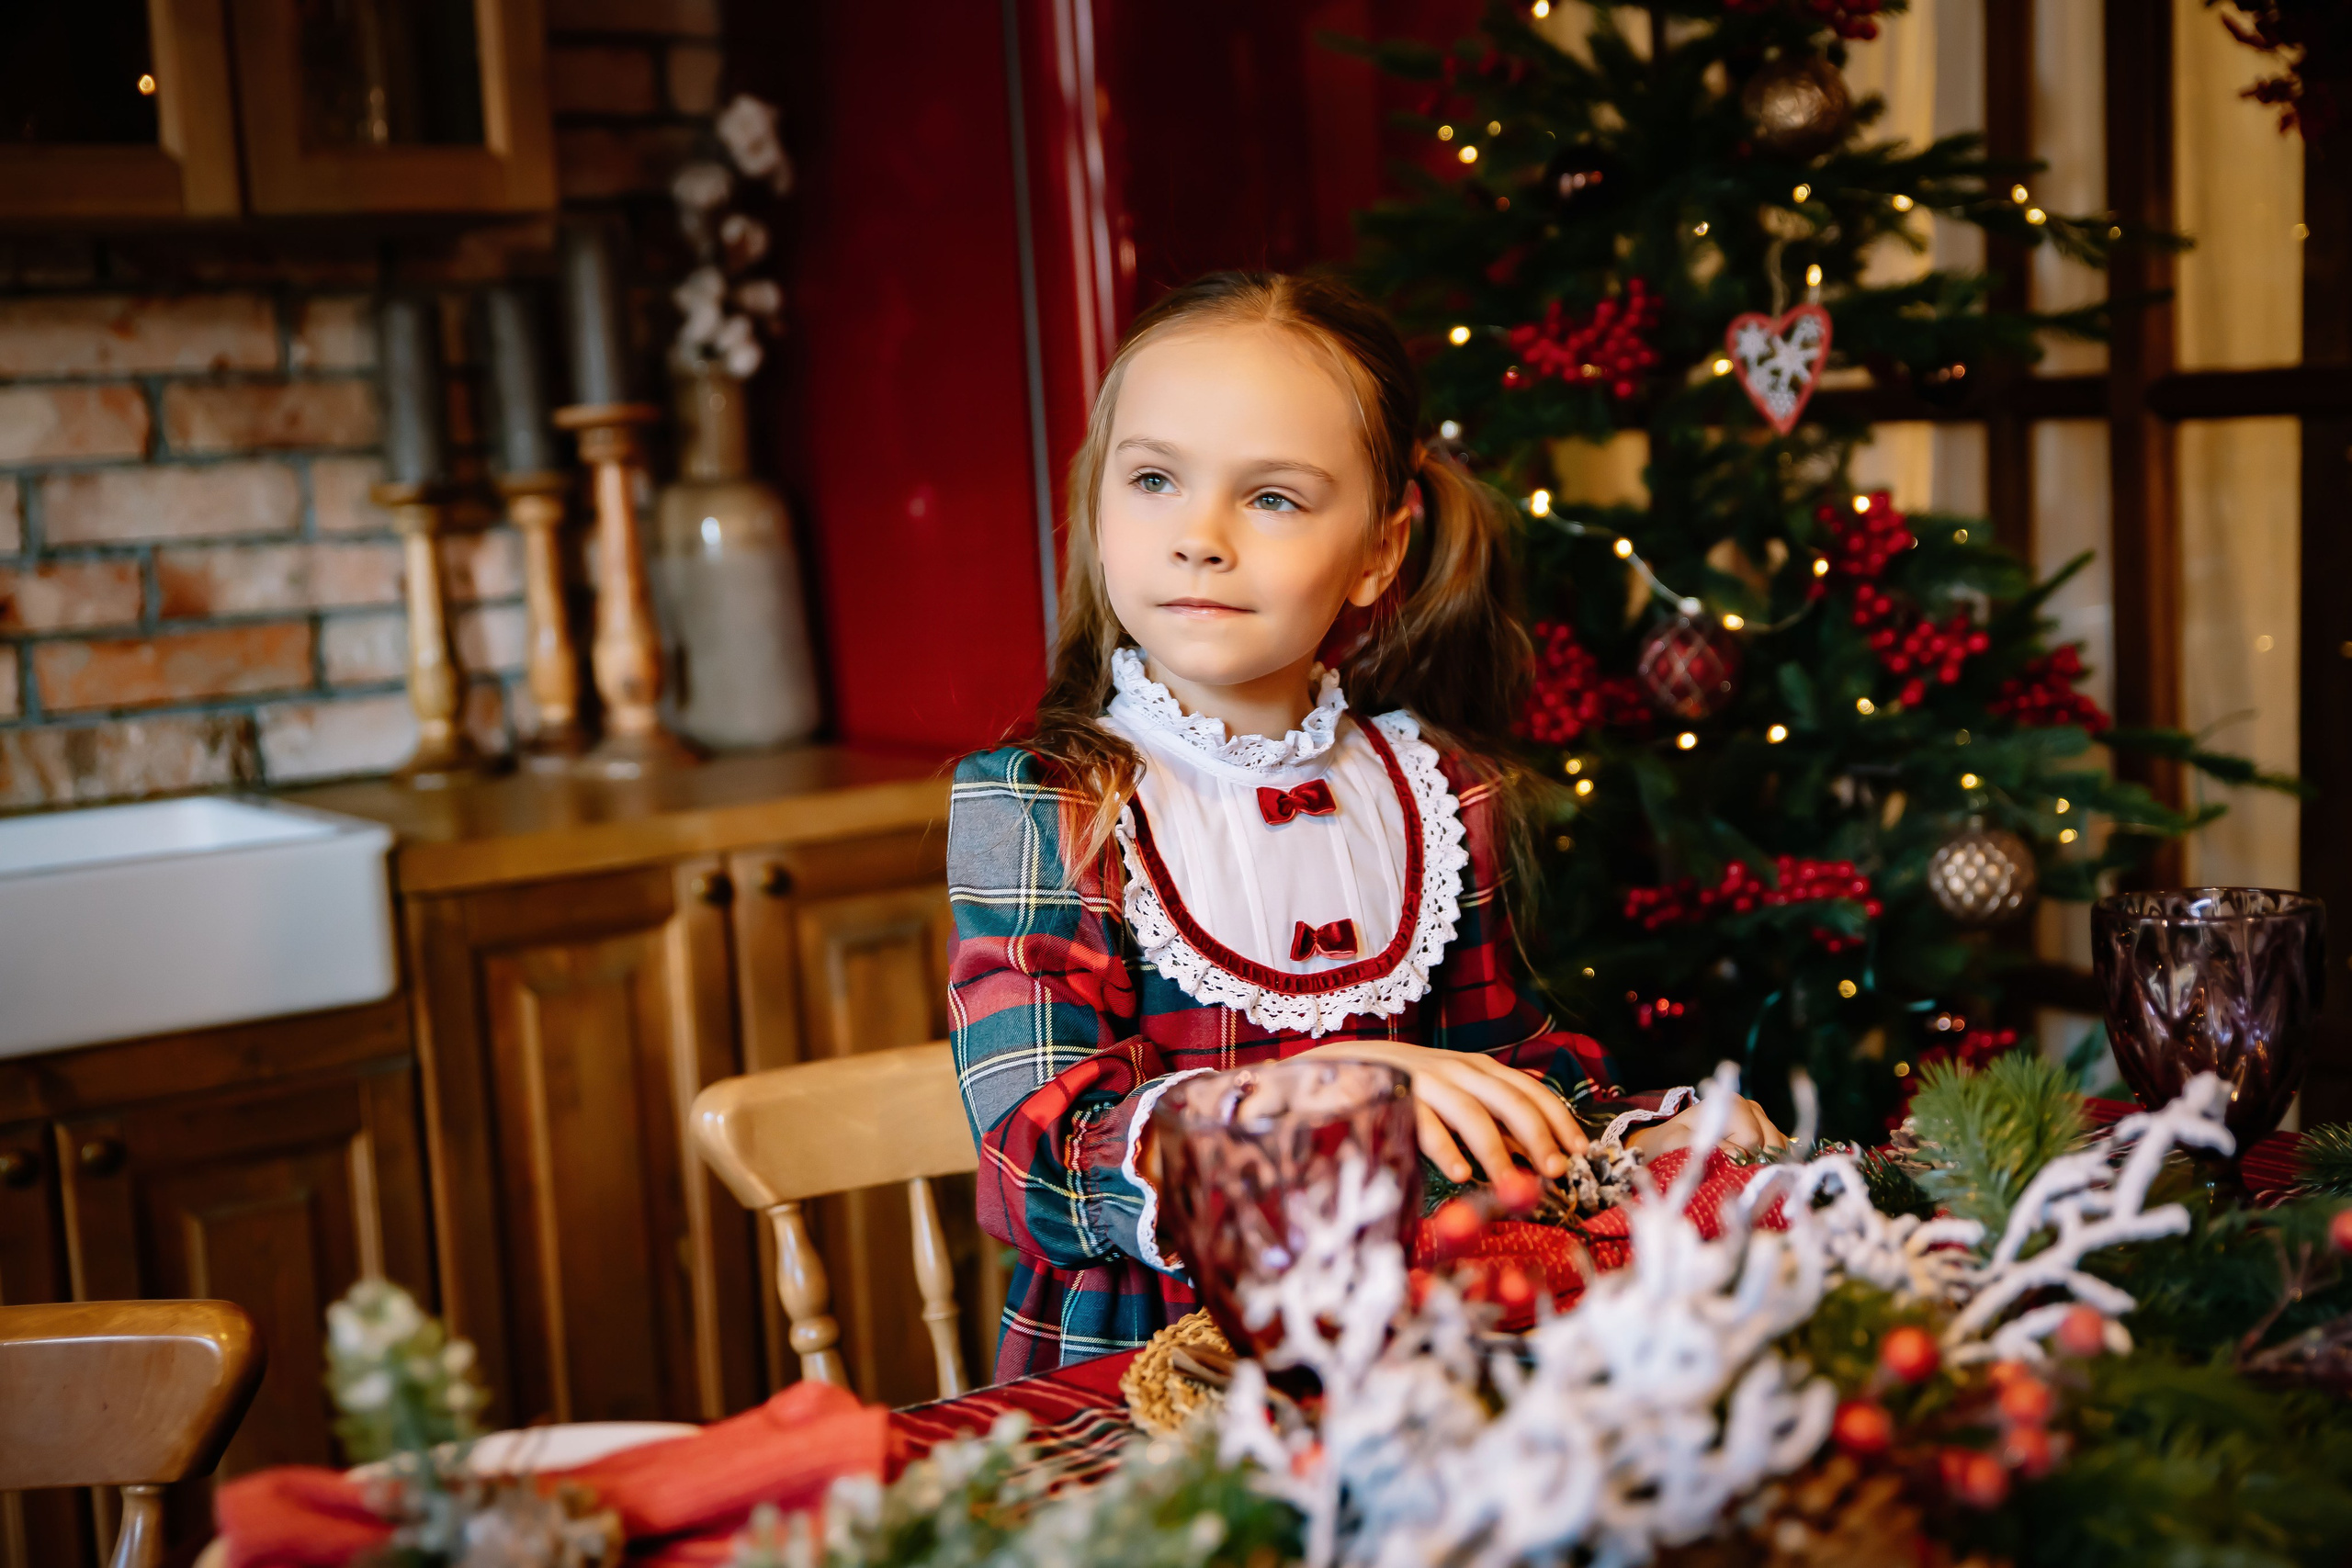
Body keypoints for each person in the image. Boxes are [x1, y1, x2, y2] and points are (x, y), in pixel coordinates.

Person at [949, 272, 1779, 1380]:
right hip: (1146, 1380)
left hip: (1414, 1360)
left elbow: (1504, 1085)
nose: (1198, 537)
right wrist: (1326, 1096)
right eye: (1153, 479)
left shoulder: (1437, 792)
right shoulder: (1050, 803)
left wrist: (1647, 1139)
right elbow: (1034, 1165)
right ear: (1099, 508)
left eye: (1272, 498)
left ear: (1380, 552)